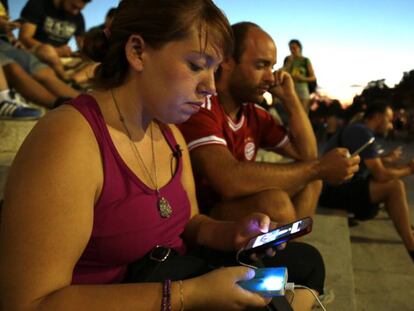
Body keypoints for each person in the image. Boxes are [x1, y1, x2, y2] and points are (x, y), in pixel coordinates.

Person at [0, 1, 325, 311]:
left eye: (213, 70)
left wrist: (235, 234)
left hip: (170, 273)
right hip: (128, 296)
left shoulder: (169, 133)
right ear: (138, 52)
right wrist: (189, 295)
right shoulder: (70, 139)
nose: (210, 87)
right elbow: (29, 302)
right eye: (197, 65)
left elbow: (192, 224)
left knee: (306, 264)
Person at [178, 22, 360, 224]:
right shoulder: (200, 106)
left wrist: (291, 100)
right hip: (201, 219)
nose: (271, 77)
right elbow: (228, 180)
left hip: (233, 207)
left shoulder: (254, 114)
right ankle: (289, 252)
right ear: (227, 61)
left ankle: (290, 249)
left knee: (312, 182)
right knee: (275, 202)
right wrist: (319, 168)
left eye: (272, 67)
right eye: (261, 65)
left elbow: (306, 155)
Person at [319, 101, 414, 262]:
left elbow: (371, 164)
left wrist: (388, 160)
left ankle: (407, 229)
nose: (391, 125)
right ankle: (411, 244)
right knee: (394, 186)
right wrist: (409, 170)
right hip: (330, 191)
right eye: (389, 119)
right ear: (377, 117)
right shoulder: (361, 133)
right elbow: (381, 174)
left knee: (392, 185)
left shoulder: (360, 131)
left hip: (338, 187)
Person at [0, 0, 79, 108]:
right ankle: (57, 104)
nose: (77, 10)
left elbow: (7, 31)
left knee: (42, 71)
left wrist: (12, 39)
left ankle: (84, 102)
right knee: (13, 67)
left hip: (6, 43)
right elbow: (25, 37)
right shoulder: (38, 4)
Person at [19, 0, 91, 81]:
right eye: (73, 6)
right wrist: (56, 51)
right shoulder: (38, 4)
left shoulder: (78, 17)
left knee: (92, 62)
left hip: (61, 60)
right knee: (47, 50)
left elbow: (83, 45)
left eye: (79, 9)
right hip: (34, 54)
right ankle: (66, 81)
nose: (75, 12)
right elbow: (24, 38)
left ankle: (73, 82)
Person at [283, 39, 316, 112]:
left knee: (303, 114)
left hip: (303, 91)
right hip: (290, 90)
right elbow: (284, 73)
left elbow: (313, 78)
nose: (292, 50)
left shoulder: (305, 60)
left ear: (299, 48)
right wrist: (289, 62)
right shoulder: (288, 59)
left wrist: (302, 78)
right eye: (290, 48)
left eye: (294, 48)